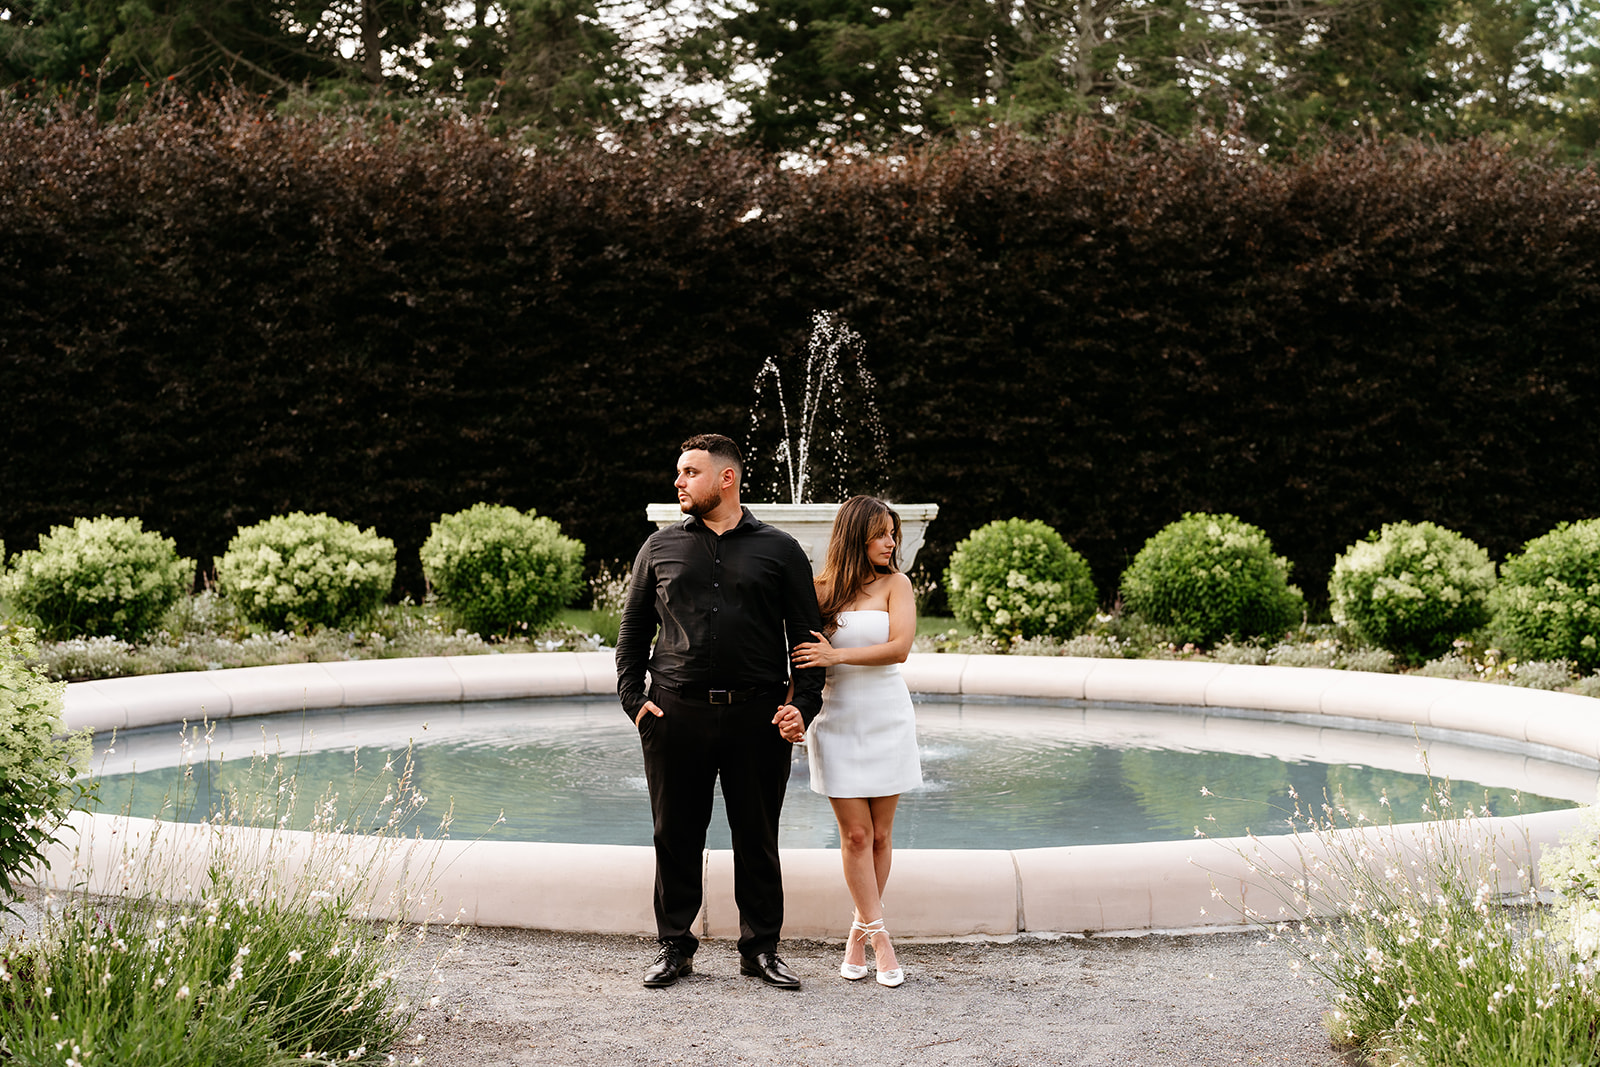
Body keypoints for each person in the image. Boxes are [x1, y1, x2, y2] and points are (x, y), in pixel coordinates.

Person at [615, 433, 825, 991]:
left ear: (726, 478)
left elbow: (807, 642)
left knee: (757, 835)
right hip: (674, 715)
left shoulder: (780, 551)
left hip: (758, 718)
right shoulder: (657, 548)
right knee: (674, 834)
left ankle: (761, 950)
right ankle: (674, 947)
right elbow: (631, 636)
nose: (679, 482)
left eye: (690, 472)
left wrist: (802, 705)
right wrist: (636, 703)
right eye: (679, 472)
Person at [790, 495, 921, 987]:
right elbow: (802, 658)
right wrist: (792, 710)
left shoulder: (897, 585)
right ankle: (880, 935)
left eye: (894, 533)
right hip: (837, 720)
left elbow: (899, 649)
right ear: (855, 536)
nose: (892, 542)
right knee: (857, 835)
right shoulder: (819, 591)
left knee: (883, 835)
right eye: (882, 533)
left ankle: (857, 931)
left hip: (887, 715)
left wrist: (837, 658)